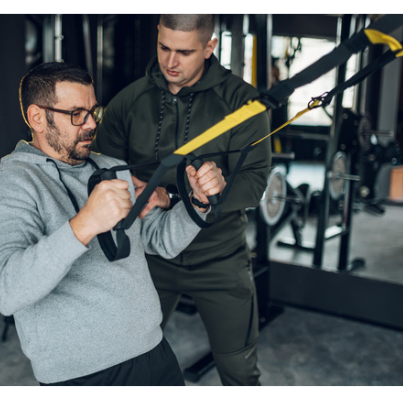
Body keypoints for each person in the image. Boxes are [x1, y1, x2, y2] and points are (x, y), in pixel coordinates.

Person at [0, 62, 226, 385]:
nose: (91, 124)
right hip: (83, 376)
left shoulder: (113, 167)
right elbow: (4, 292)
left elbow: (160, 240)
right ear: (37, 117)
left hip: (154, 352)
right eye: (76, 114)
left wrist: (198, 201)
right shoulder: (11, 184)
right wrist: (83, 225)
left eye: (93, 111)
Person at [92, 14, 271, 385]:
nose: (171, 62)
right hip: (150, 258)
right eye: (164, 48)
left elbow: (254, 185)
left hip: (219, 258)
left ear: (209, 47)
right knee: (124, 363)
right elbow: (103, 174)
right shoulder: (128, 102)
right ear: (157, 36)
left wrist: (202, 189)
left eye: (185, 52)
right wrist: (129, 188)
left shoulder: (243, 103)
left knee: (239, 370)